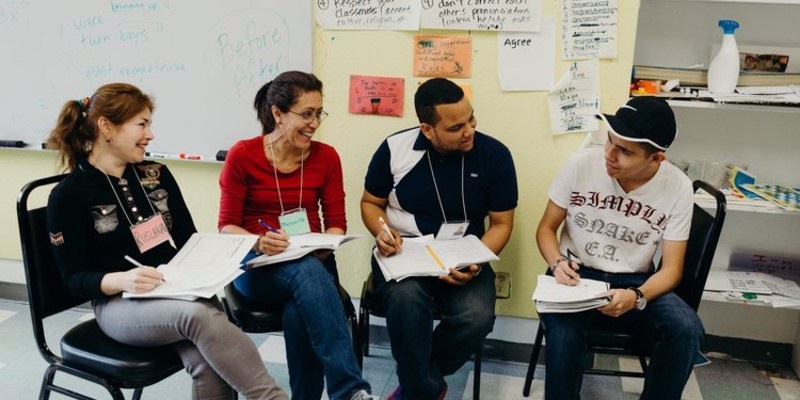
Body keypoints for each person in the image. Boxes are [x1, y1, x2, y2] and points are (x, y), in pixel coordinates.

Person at [45, 83, 287, 400]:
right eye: (141, 124)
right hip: (118, 304)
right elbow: (73, 280)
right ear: (106, 127)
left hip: (174, 290)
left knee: (208, 359)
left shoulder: (156, 175)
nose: (150, 135)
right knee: (199, 316)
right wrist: (124, 279)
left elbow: (188, 240)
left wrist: (240, 247)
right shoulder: (68, 195)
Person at [218, 71, 375, 400]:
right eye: (306, 114)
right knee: (308, 274)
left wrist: (325, 245)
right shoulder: (242, 156)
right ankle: (350, 390)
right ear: (277, 113)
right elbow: (227, 226)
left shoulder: (327, 157)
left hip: (312, 261)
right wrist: (258, 241)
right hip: (258, 265)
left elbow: (335, 223)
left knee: (300, 300)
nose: (315, 123)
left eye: (319, 113)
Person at [361, 77, 518, 400]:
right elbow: (370, 202)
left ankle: (417, 385)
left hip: (465, 253)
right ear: (427, 129)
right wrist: (380, 230)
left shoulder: (495, 155)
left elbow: (502, 223)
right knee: (406, 301)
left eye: (471, 119)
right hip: (405, 250)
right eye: (456, 127)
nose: (469, 130)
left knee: (477, 317)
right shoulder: (394, 149)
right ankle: (425, 390)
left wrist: (475, 258)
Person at [536, 96, 701, 400]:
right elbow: (546, 229)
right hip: (576, 274)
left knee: (686, 327)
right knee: (562, 335)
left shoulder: (676, 186)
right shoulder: (581, 164)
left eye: (625, 151)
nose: (610, 155)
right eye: (610, 141)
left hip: (637, 281)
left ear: (656, 159)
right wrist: (557, 262)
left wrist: (638, 296)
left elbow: (672, 269)